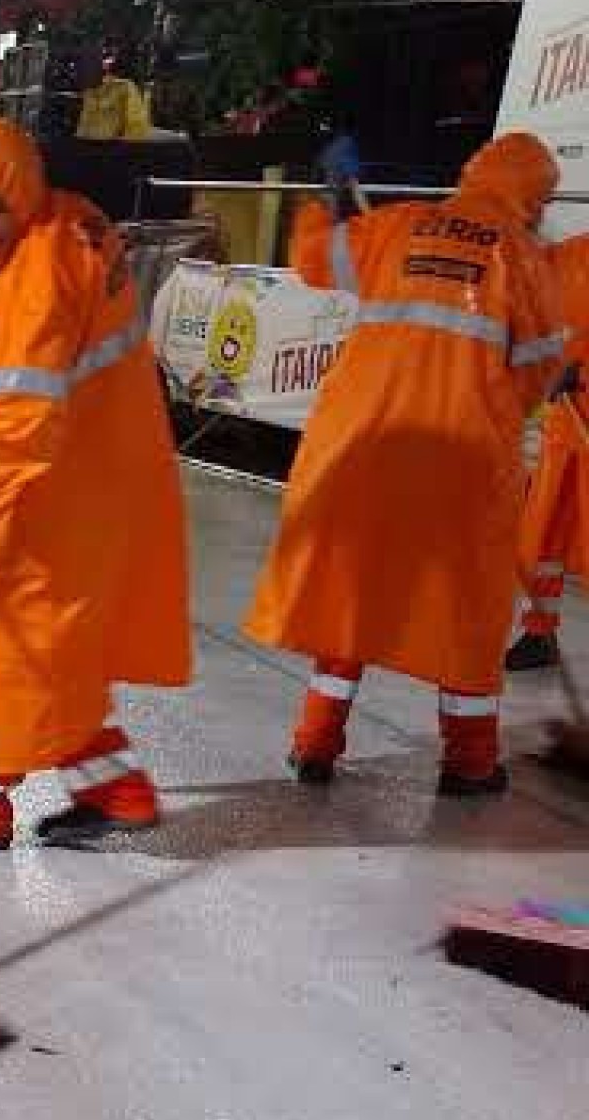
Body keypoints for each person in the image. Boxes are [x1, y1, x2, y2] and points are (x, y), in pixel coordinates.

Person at [0, 117, 191, 850]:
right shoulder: (66, 219)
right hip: (102, 467)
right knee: (60, 643)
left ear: (22, 193)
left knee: (19, 633)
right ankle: (116, 791)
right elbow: (0, 285)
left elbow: (22, 416)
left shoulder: (38, 276)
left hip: (69, 480)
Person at [245, 131, 565, 794]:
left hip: (369, 446)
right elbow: (536, 370)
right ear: (531, 197)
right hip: (463, 464)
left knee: (352, 600)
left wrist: (327, 202)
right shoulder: (523, 257)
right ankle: (469, 762)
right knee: (466, 611)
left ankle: (315, 743)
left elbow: (313, 259)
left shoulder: (400, 225)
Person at [506, 227, 589, 671]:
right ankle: (539, 633)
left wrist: (581, 372)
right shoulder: (570, 253)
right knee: (545, 534)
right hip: (565, 422)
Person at [74, 50, 154, 142]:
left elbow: (136, 126)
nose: (81, 73)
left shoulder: (124, 87)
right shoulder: (89, 93)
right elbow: (83, 126)